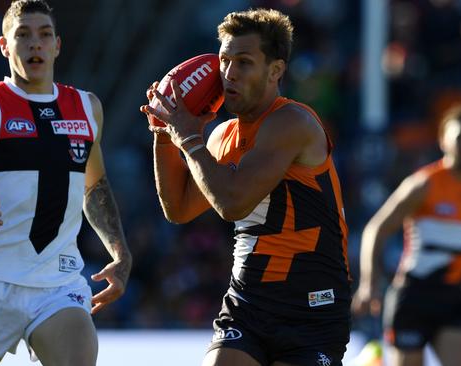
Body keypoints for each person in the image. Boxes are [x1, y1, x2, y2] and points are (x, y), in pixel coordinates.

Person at [141, 8, 350, 366]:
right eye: (224, 60)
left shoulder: (292, 121)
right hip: (248, 299)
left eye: (244, 62)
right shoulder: (223, 134)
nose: (229, 74)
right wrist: (164, 135)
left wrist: (189, 137)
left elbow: (232, 203)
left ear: (276, 70)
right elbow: (178, 209)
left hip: (312, 305)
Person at [0, 1, 132, 365]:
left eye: (44, 35)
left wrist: (119, 251)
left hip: (58, 284)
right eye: (23, 35)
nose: (34, 44)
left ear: (57, 45)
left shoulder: (87, 107)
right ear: (5, 46)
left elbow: (94, 187)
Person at [352, 105, 461, 366]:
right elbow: (377, 229)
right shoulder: (423, 184)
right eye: (460, 137)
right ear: (443, 140)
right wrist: (369, 283)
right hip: (413, 294)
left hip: (456, 297)